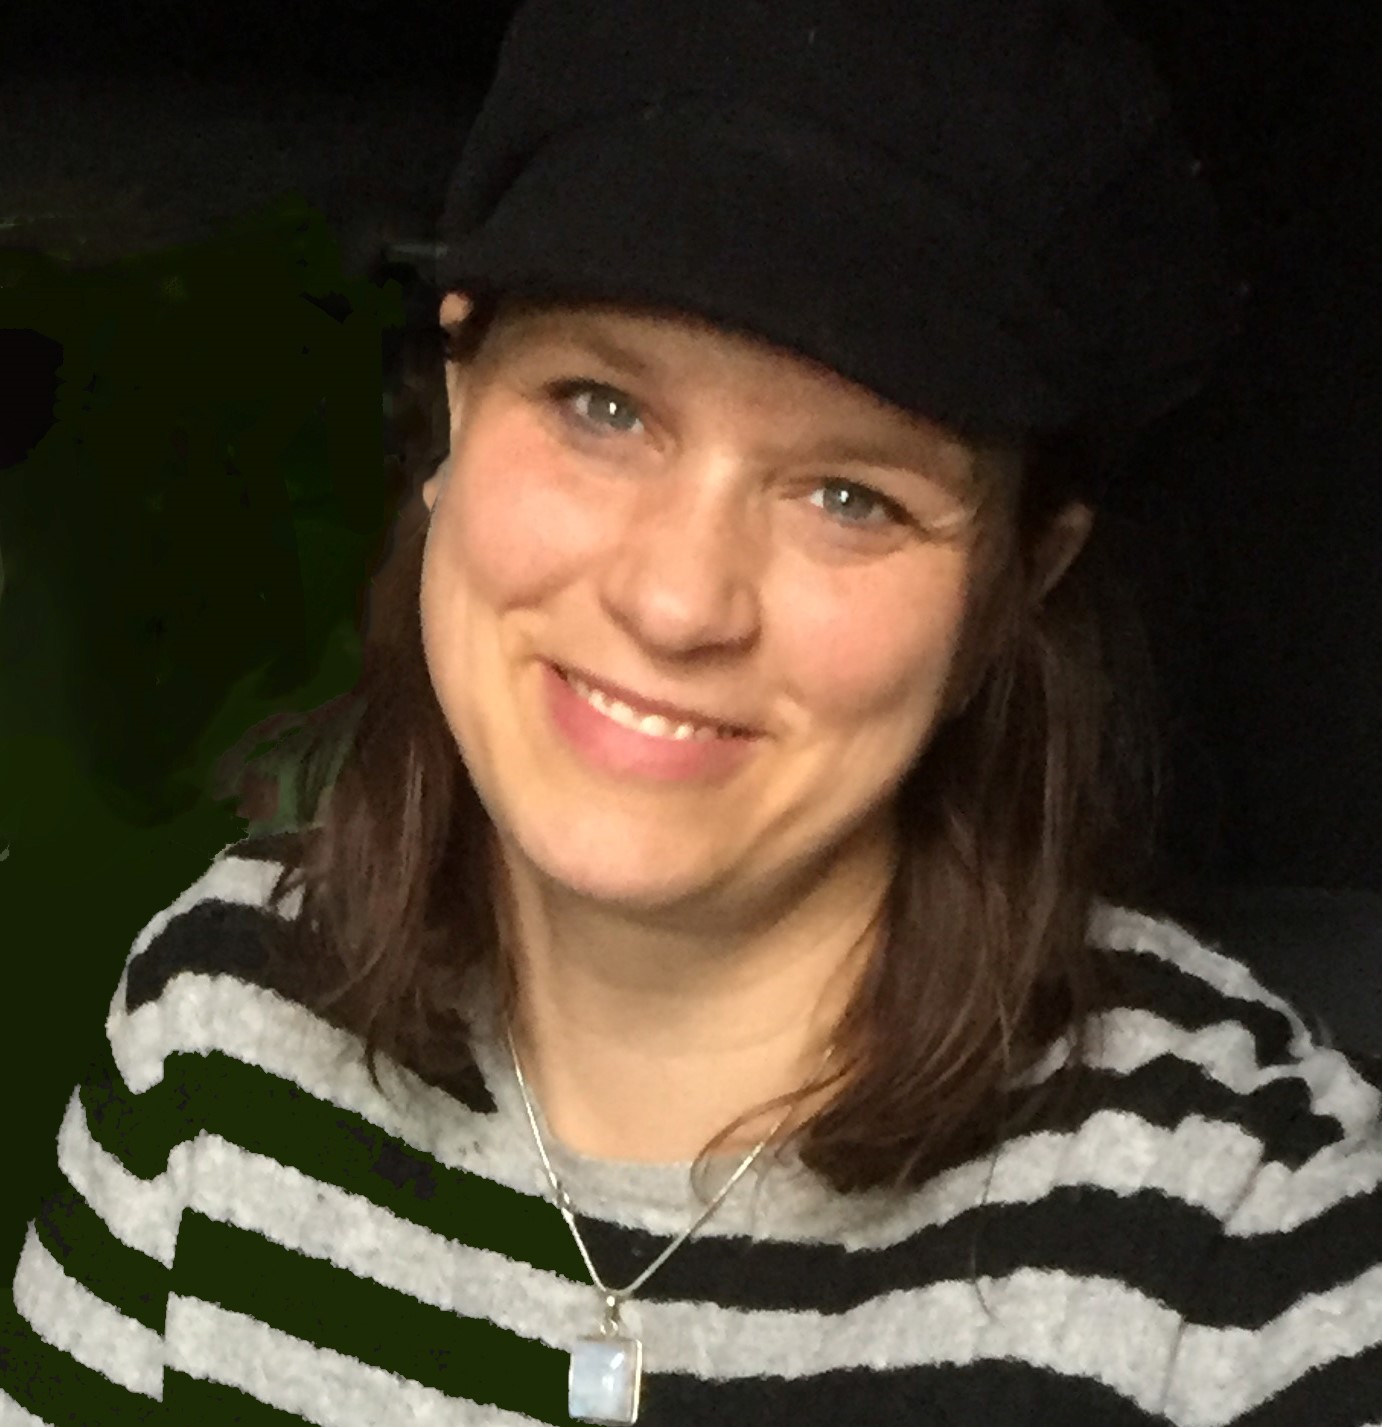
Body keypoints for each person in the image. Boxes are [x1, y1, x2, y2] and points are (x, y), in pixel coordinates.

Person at [5, 0, 1381, 1423]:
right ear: (455, 400)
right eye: (601, 407)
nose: (675, 603)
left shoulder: (1250, 1238)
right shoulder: (218, 1023)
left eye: (849, 495)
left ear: (1017, 581)